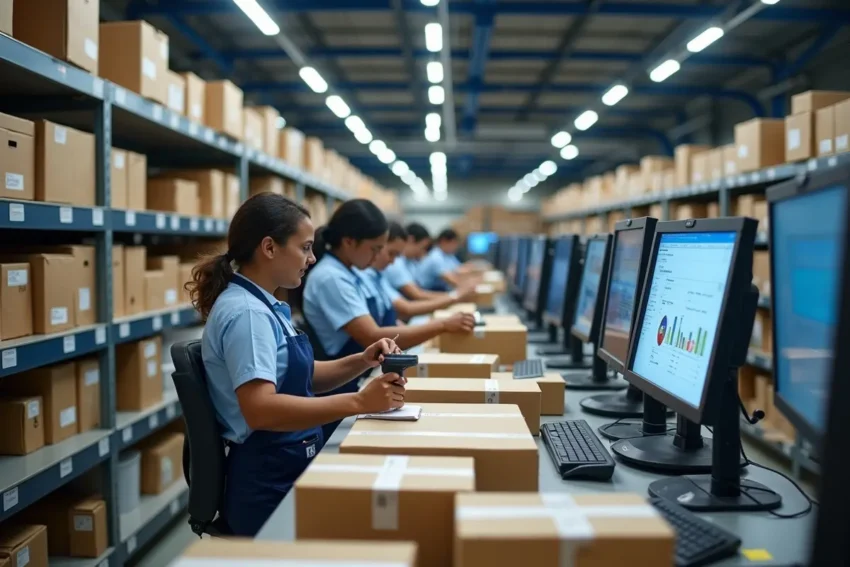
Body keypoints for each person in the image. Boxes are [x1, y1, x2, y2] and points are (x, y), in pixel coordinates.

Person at [188, 193, 406, 537]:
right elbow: (260, 410)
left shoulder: (265, 304)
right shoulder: (248, 314)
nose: (312, 257)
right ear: (269, 248)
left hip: (286, 464)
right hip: (268, 484)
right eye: (305, 247)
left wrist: (362, 360)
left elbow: (304, 375)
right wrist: (359, 402)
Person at [303, 200, 476, 438]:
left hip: (363, 378)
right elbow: (371, 336)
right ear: (349, 241)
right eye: (376, 249)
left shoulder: (355, 273)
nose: (379, 257)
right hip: (342, 391)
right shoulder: (331, 278)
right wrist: (443, 324)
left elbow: (394, 314)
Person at [359, 222, 478, 321]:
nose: (423, 252)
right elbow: (413, 299)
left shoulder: (380, 274)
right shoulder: (395, 266)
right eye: (391, 254)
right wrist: (455, 296)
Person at [384, 222, 461, 301]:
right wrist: (456, 296)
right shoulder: (396, 263)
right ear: (411, 240)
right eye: (422, 247)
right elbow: (417, 295)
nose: (423, 252)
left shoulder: (411, 262)